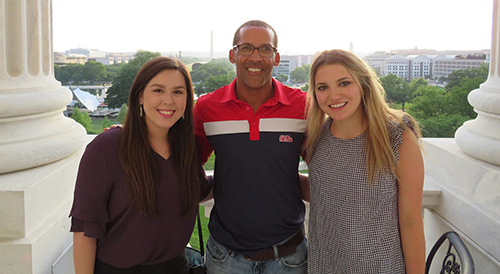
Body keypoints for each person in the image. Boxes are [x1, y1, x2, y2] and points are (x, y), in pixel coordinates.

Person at [70, 57, 212, 274]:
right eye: (158, 90)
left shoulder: (186, 148)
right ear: (140, 96)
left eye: (178, 92)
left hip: (176, 268)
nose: (168, 100)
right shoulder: (107, 148)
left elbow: (201, 188)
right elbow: (84, 229)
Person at [193, 20, 309, 274]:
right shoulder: (206, 108)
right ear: (233, 54)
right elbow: (180, 161)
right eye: (246, 48)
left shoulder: (302, 106)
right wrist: (130, 130)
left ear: (276, 57)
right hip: (224, 257)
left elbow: (328, 164)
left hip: (289, 257)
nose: (256, 57)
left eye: (265, 49)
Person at [303, 49, 426, 273]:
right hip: (325, 265)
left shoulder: (396, 135)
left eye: (344, 83)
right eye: (323, 87)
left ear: (363, 84)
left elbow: (410, 220)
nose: (334, 95)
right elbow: (327, 191)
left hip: (381, 266)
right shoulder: (316, 136)